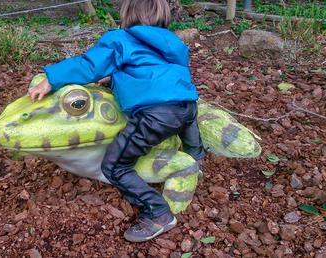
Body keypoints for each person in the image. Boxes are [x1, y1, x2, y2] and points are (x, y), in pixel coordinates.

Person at [28, 0, 206, 242]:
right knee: (189, 131)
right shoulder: (174, 43)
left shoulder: (120, 39)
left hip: (155, 115)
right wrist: (115, 79)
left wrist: (52, 78)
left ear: (127, 16)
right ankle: (196, 160)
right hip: (187, 106)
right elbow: (154, 72)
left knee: (115, 166)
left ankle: (158, 213)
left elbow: (89, 65)